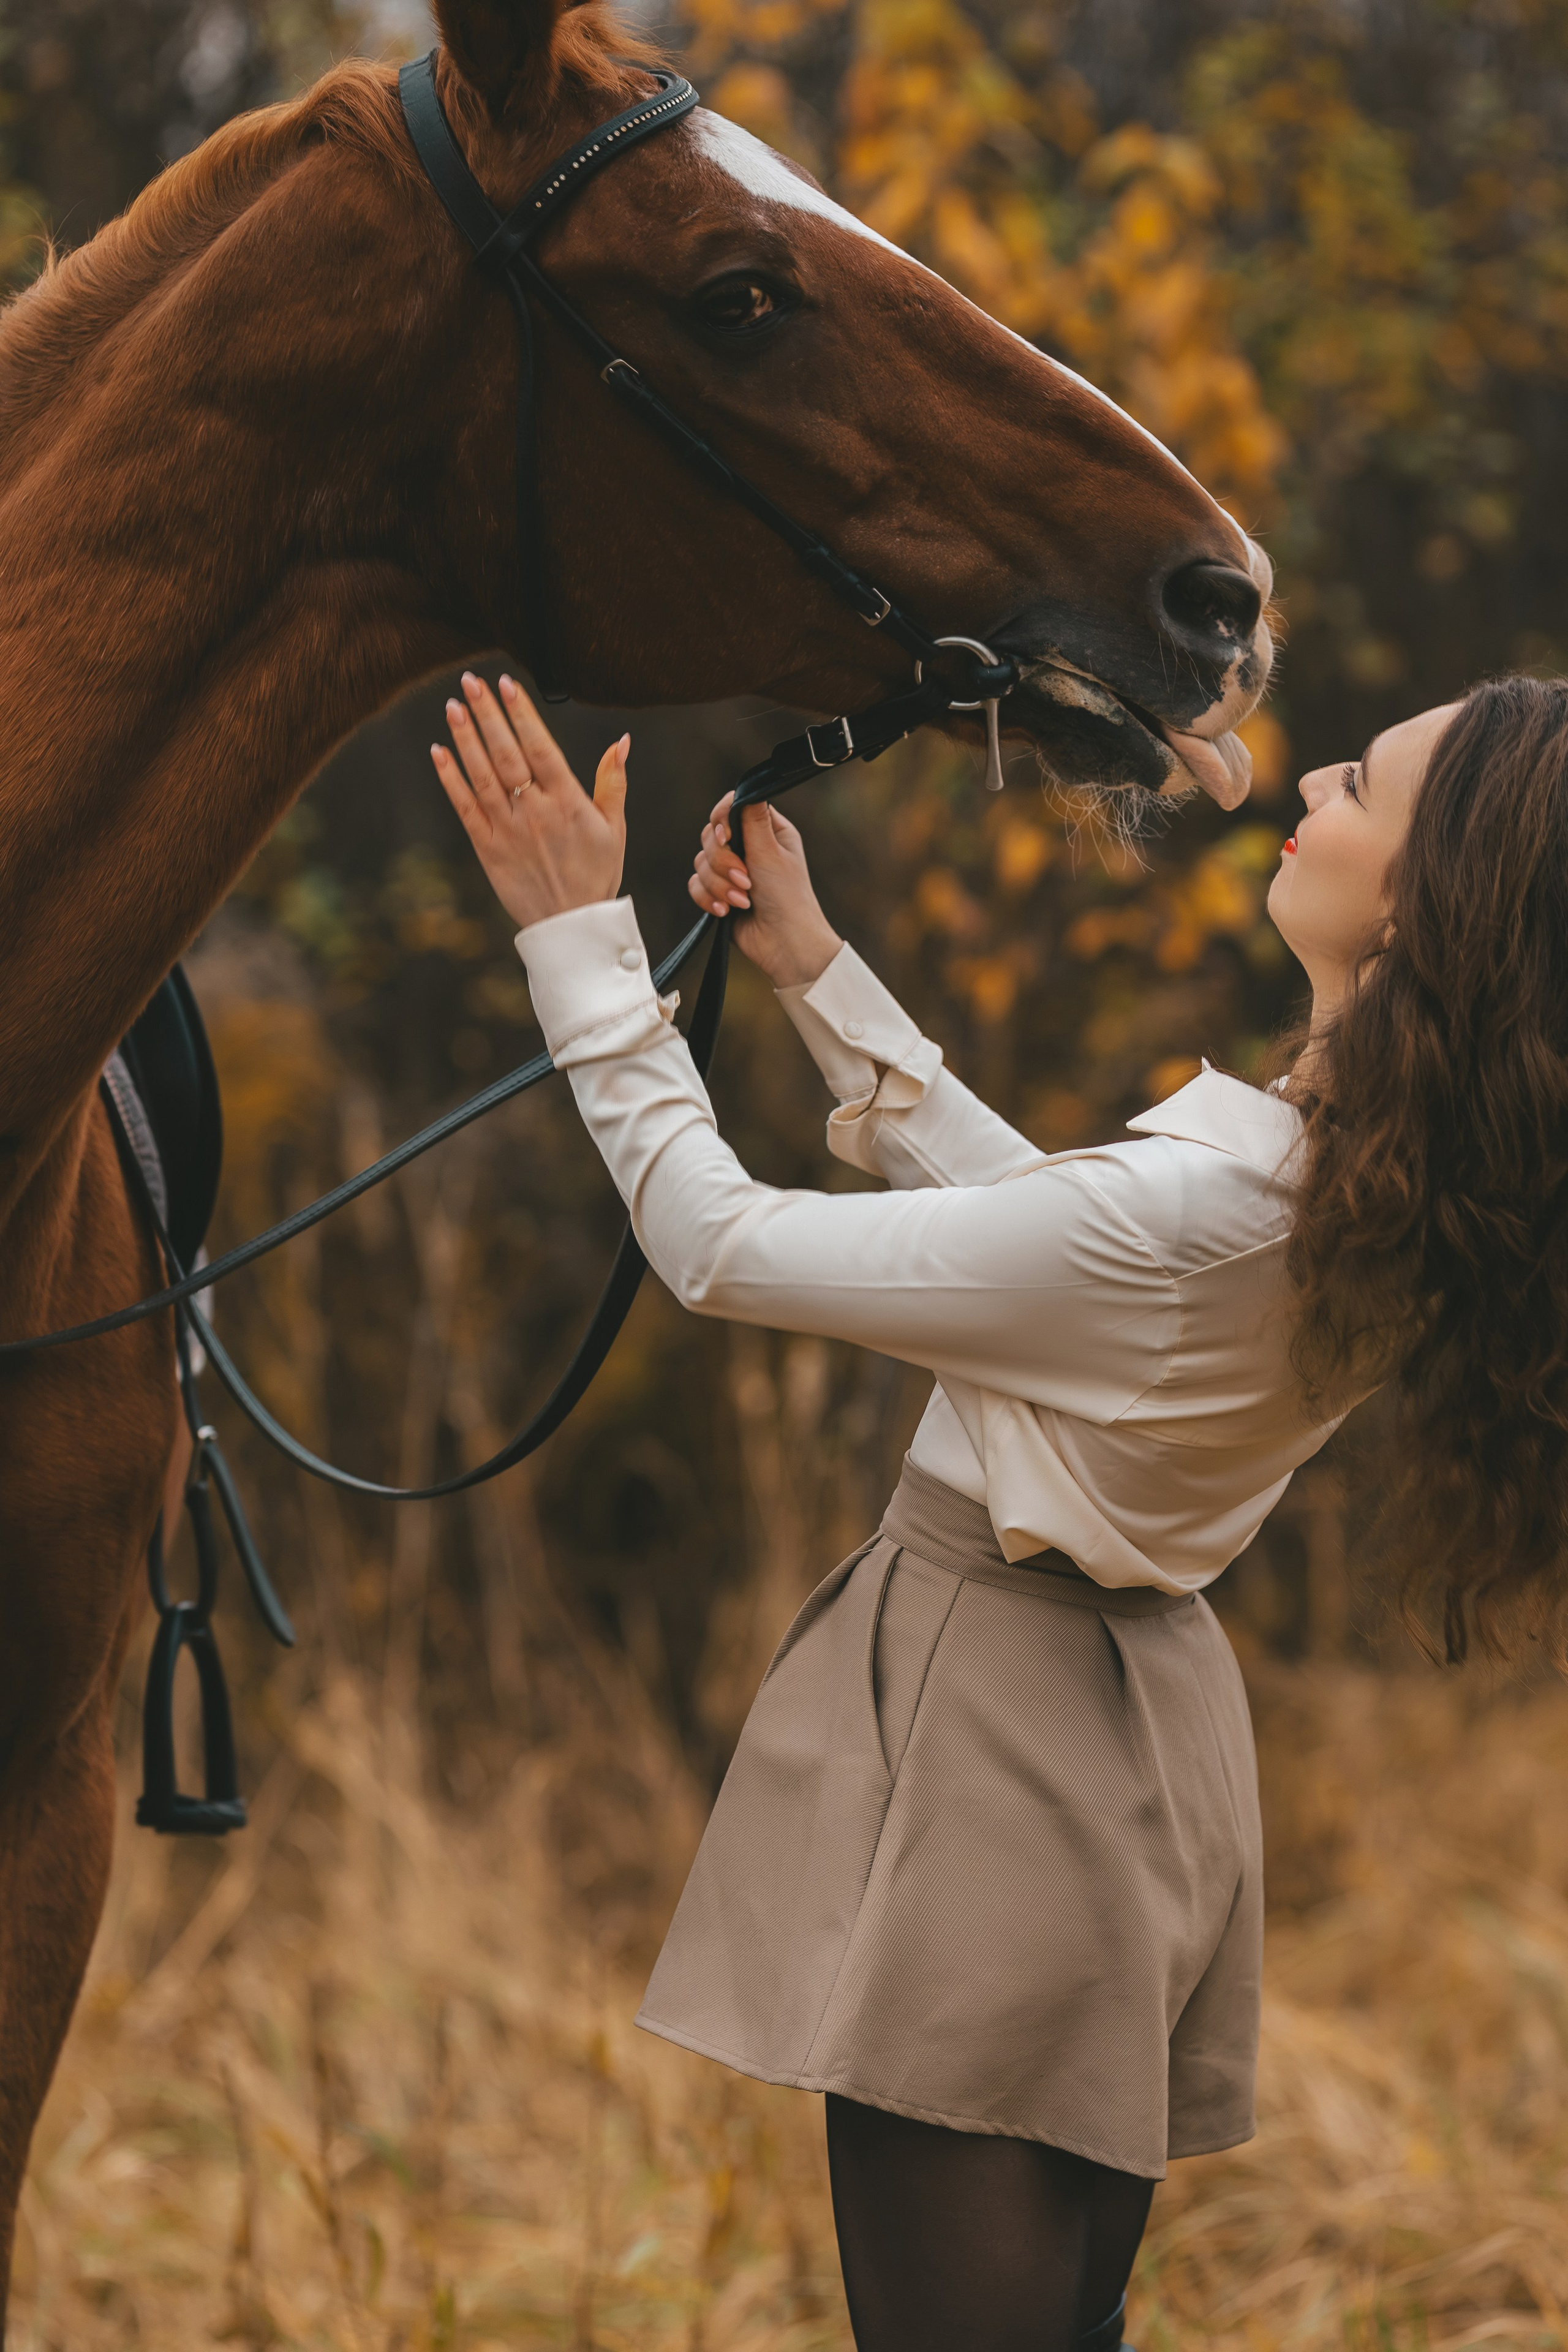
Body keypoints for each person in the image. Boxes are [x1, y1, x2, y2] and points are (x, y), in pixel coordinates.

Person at [431, 668, 1568, 2352]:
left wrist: (574, 943)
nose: (1312, 778)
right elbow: (1068, 1247)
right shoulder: (1350, 1194)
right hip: (1126, 1749)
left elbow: (723, 1245)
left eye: (1361, 786)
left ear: (1420, 907)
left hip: (1001, 1757)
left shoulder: (1211, 1211)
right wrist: (819, 979)